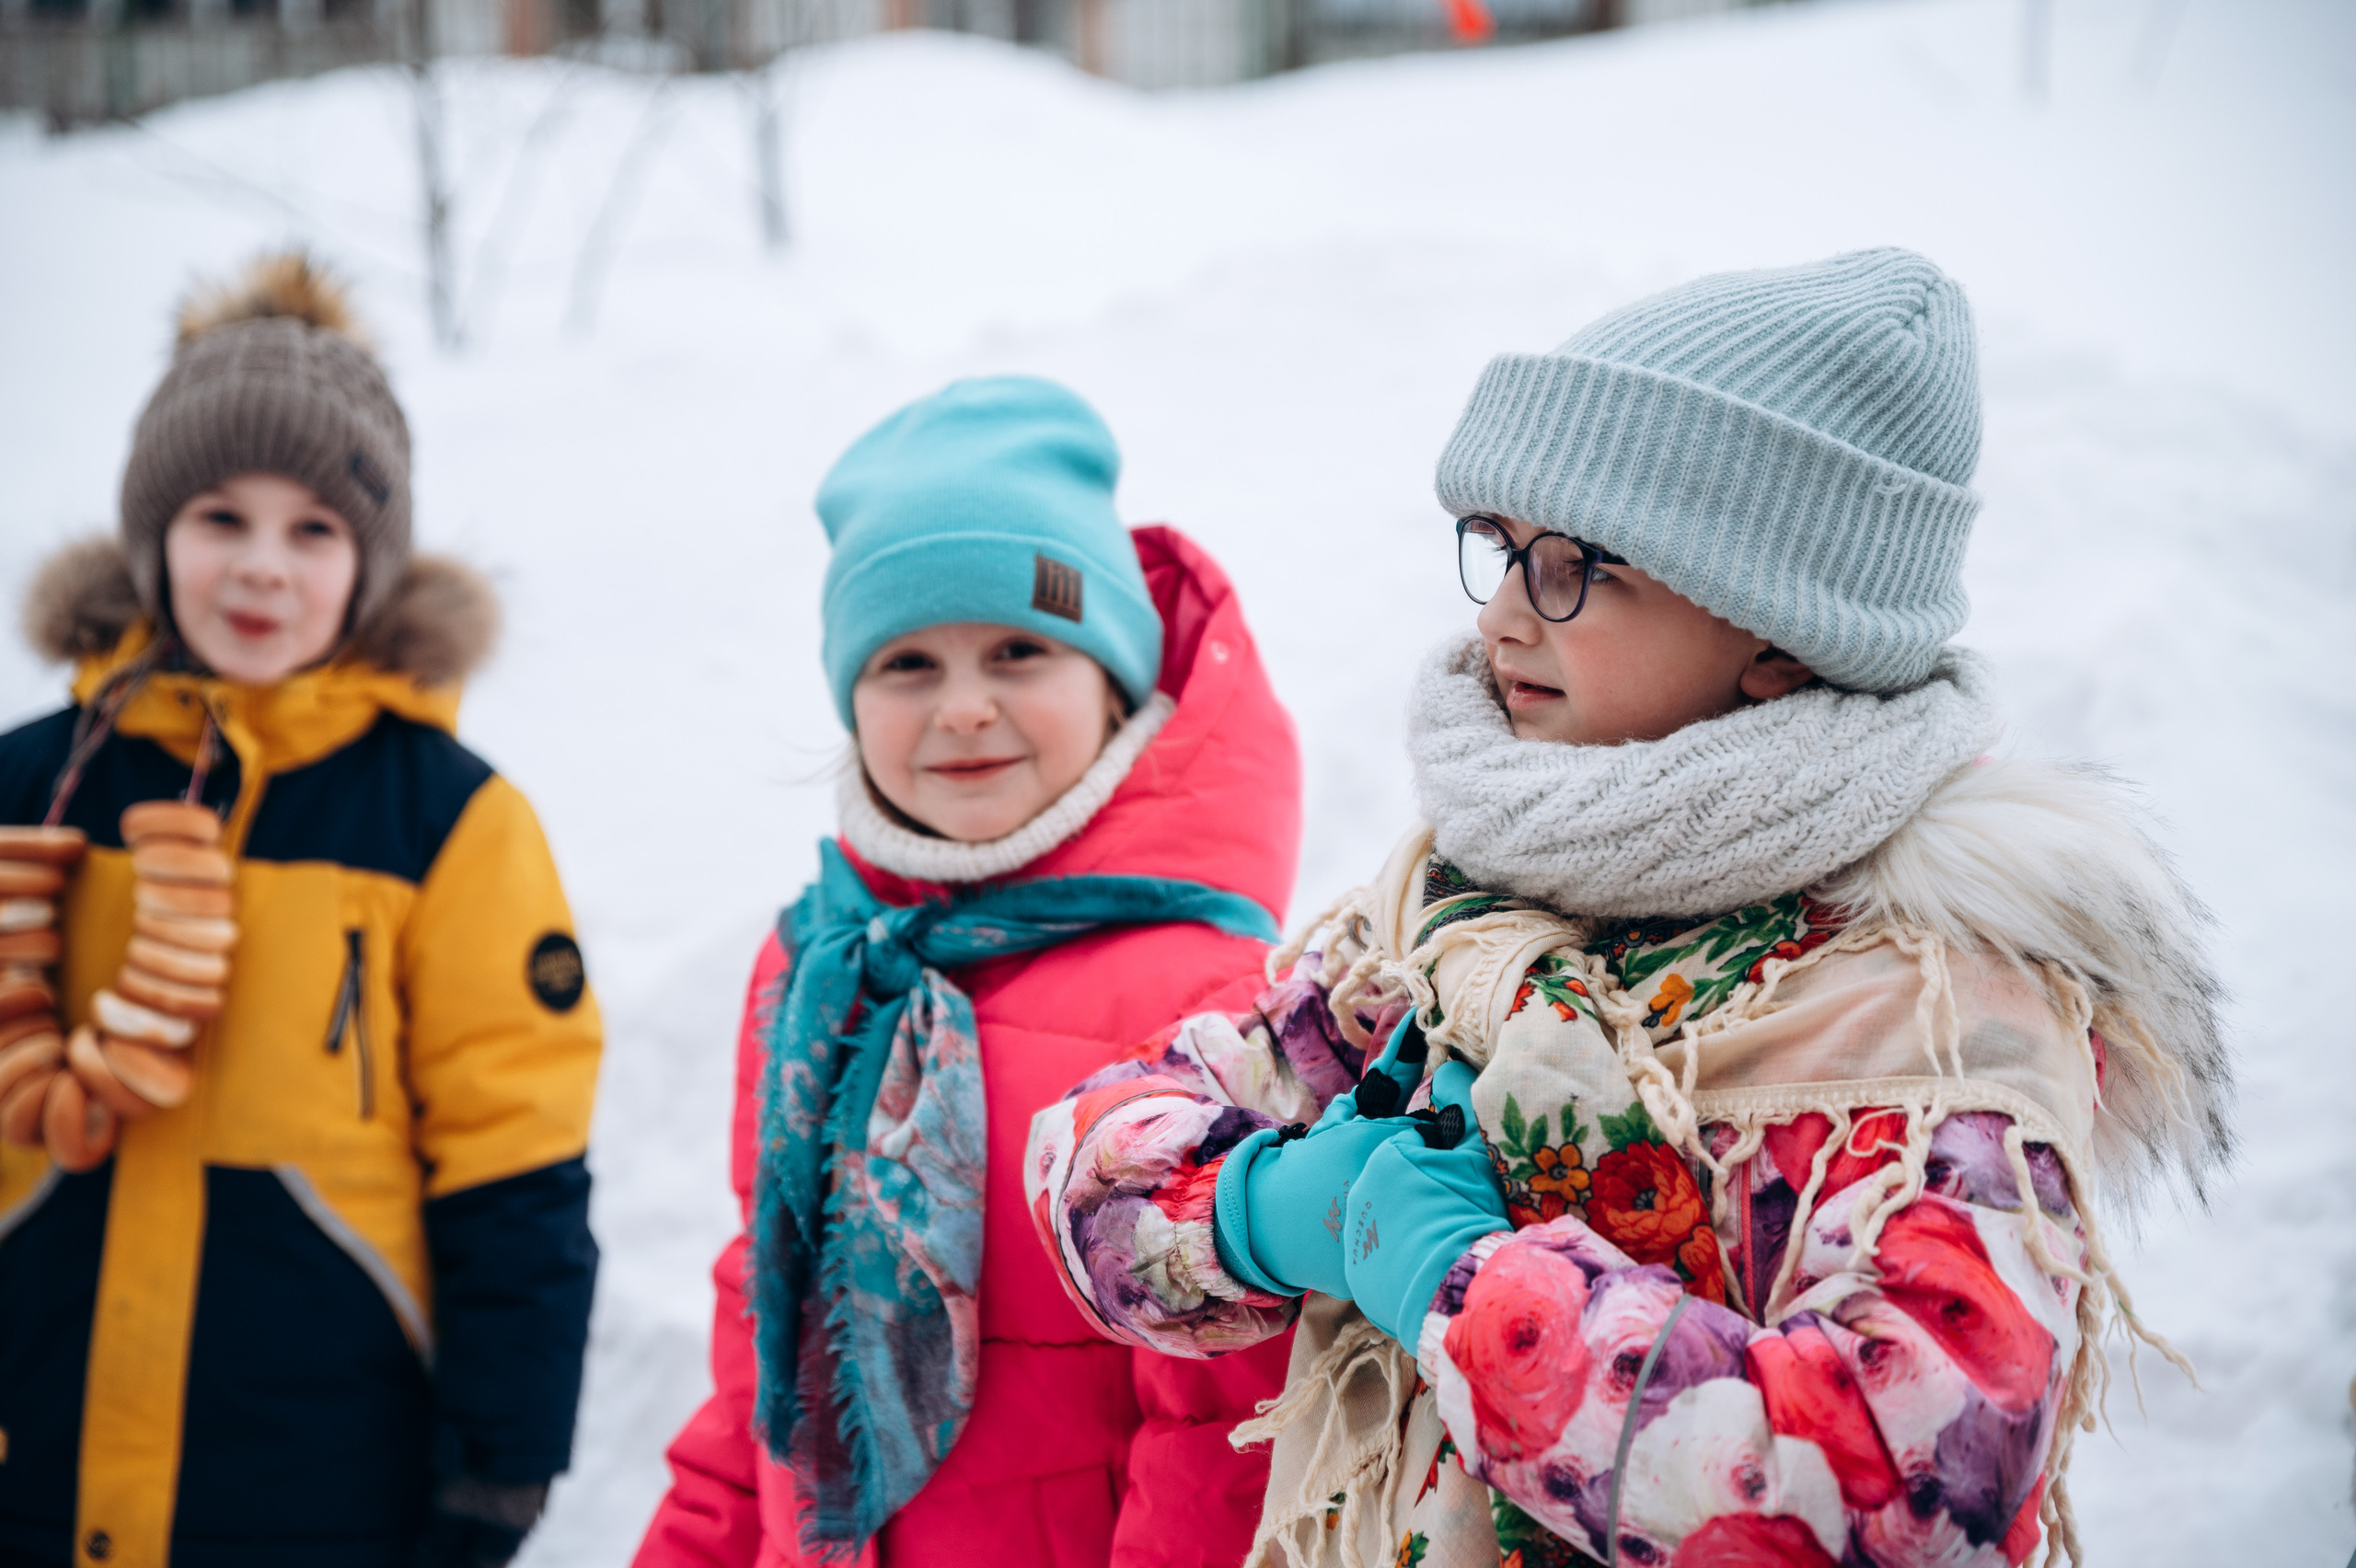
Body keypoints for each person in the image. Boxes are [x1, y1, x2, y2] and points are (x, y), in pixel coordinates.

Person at [1025, 249, 2233, 1567]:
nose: (1504, 618)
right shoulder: (1465, 910)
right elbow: (1106, 1144)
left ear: (1780, 635)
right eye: (1505, 552)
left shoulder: (1931, 998)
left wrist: (1477, 1299)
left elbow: (1909, 1484)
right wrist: (1252, 1210)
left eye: (1579, 569)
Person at [633, 375, 1301, 1568]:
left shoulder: (1208, 1000)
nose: (965, 709)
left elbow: (1219, 1441)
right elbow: (765, 1350)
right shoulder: (819, 966)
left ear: (1115, 680)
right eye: (908, 663)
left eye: (1018, 651)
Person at [0, 254, 602, 1568]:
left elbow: (516, 1165)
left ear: (369, 563)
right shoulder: (30, 788)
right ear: (154, 535)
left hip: (318, 1491)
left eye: (315, 530)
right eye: (222, 516)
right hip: (32, 1463)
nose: (262, 568)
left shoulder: (447, 822)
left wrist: (499, 1463)